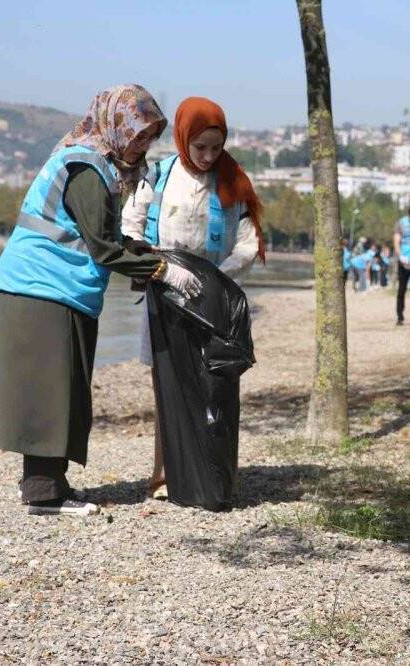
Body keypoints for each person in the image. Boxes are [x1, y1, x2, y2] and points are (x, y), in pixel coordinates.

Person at [0, 85, 198, 517]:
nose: (143, 145)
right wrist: (162, 272)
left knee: (63, 388)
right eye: (138, 134)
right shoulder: (86, 167)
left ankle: (45, 483)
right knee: (52, 391)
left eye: (149, 137)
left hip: (59, 288)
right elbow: (104, 250)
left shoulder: (99, 164)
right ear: (115, 124)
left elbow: (103, 239)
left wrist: (144, 253)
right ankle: (44, 494)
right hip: (41, 285)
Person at [121, 96, 264, 500]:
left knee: (213, 384)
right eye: (199, 147)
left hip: (213, 298)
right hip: (166, 292)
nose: (207, 156)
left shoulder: (233, 183)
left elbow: (247, 244)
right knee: (169, 386)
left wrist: (218, 276)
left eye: (215, 148)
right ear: (183, 139)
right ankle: (165, 475)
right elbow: (131, 228)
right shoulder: (158, 176)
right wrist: (161, 268)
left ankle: (210, 471)